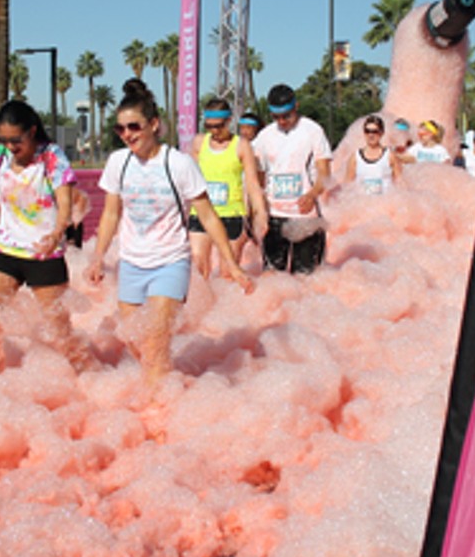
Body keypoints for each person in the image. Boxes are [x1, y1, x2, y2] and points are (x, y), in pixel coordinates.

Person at [87, 79, 253, 385]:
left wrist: (229, 262)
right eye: (120, 129)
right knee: (135, 341)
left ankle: (159, 408)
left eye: (133, 127)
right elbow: (111, 212)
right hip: (132, 262)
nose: (127, 135)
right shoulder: (118, 162)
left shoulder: (178, 164)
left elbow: (208, 215)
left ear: (153, 124)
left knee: (155, 339)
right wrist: (98, 257)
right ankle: (167, 387)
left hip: (170, 262)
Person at [0, 100, 85, 373]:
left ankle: (88, 379)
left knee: (59, 331)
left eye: (16, 139)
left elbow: (66, 202)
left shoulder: (52, 157)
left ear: (32, 131)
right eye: (3, 139)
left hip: (44, 252)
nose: (10, 146)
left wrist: (57, 233)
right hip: (7, 250)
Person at [252, 83, 334, 274]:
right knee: (272, 276)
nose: (282, 121)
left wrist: (312, 194)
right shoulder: (264, 136)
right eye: (276, 117)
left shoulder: (313, 131)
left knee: (304, 277)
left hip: (305, 216)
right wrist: (258, 208)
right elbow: (258, 175)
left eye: (286, 116)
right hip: (275, 215)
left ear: (296, 106)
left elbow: (324, 172)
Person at [189, 98, 269, 276]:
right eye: (209, 126)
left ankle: (225, 303)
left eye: (218, 126)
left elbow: (253, 183)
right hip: (201, 213)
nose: (214, 131)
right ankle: (201, 303)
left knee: (228, 272)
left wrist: (261, 214)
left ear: (229, 120)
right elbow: (190, 181)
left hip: (231, 214)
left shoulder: (241, 145)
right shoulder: (199, 143)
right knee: (198, 263)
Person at [345, 114, 401, 194]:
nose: (371, 135)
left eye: (375, 131)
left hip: (384, 204)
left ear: (382, 133)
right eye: (367, 131)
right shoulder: (355, 157)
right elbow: (347, 186)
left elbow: (401, 184)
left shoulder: (390, 156)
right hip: (362, 204)